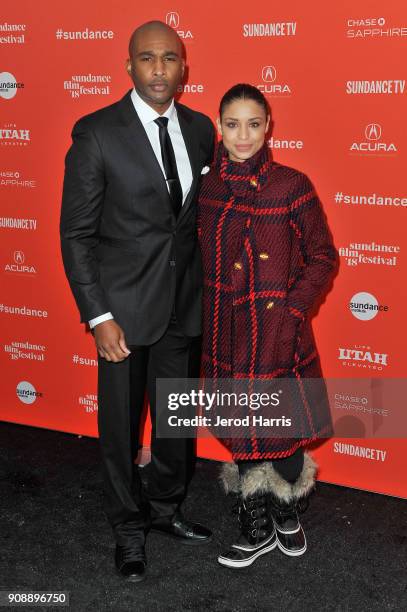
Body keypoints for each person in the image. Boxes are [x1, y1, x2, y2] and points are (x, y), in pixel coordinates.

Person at [60, 21, 215, 582]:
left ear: (183, 69)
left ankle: (168, 508)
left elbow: (195, 224)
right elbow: (76, 234)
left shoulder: (200, 131)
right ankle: (128, 530)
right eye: (147, 59)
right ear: (129, 66)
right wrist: (98, 315)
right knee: (121, 430)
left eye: (169, 59)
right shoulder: (97, 133)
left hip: (183, 308)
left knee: (176, 425)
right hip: (122, 314)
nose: (158, 69)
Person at [197, 84, 338, 569]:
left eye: (253, 124)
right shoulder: (209, 186)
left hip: (278, 331)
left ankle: (286, 512)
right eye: (232, 124)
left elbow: (323, 257)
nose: (243, 136)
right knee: (240, 433)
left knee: (284, 438)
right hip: (224, 330)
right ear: (219, 127)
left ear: (268, 124)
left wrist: (294, 311)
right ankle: (254, 525)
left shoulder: (291, 185)